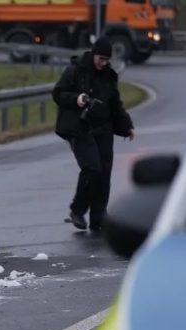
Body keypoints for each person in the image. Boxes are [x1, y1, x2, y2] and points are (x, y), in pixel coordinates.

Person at [52, 37, 135, 231]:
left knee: (104, 172)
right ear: (93, 54)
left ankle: (99, 216)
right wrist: (77, 99)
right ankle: (77, 211)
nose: (103, 63)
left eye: (106, 60)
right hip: (79, 127)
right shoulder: (75, 71)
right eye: (100, 59)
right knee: (92, 169)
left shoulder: (109, 75)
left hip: (103, 128)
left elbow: (115, 105)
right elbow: (58, 94)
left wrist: (126, 125)